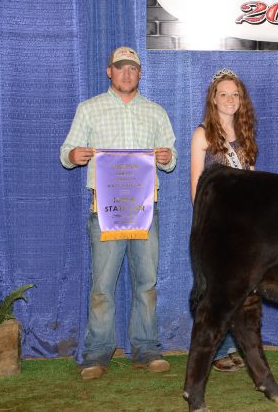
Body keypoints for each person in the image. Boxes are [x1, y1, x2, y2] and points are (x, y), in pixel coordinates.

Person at [59, 47, 177, 380]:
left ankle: (146, 348)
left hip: (144, 210)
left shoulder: (155, 112)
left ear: (140, 73)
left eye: (133, 69)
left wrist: (167, 157)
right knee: (102, 285)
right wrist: (75, 153)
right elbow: (66, 153)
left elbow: (172, 157)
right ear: (109, 71)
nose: (127, 73)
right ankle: (97, 353)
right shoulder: (89, 109)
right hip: (106, 210)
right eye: (120, 67)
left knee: (146, 283)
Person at [190, 68, 258, 371]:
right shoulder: (203, 133)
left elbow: (253, 184)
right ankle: (215, 352)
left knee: (240, 288)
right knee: (216, 290)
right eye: (224, 94)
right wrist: (206, 226)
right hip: (217, 228)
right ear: (213, 100)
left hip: (244, 226)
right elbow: (196, 185)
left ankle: (232, 347)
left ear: (241, 99)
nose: (230, 99)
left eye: (235, 94)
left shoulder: (245, 135)